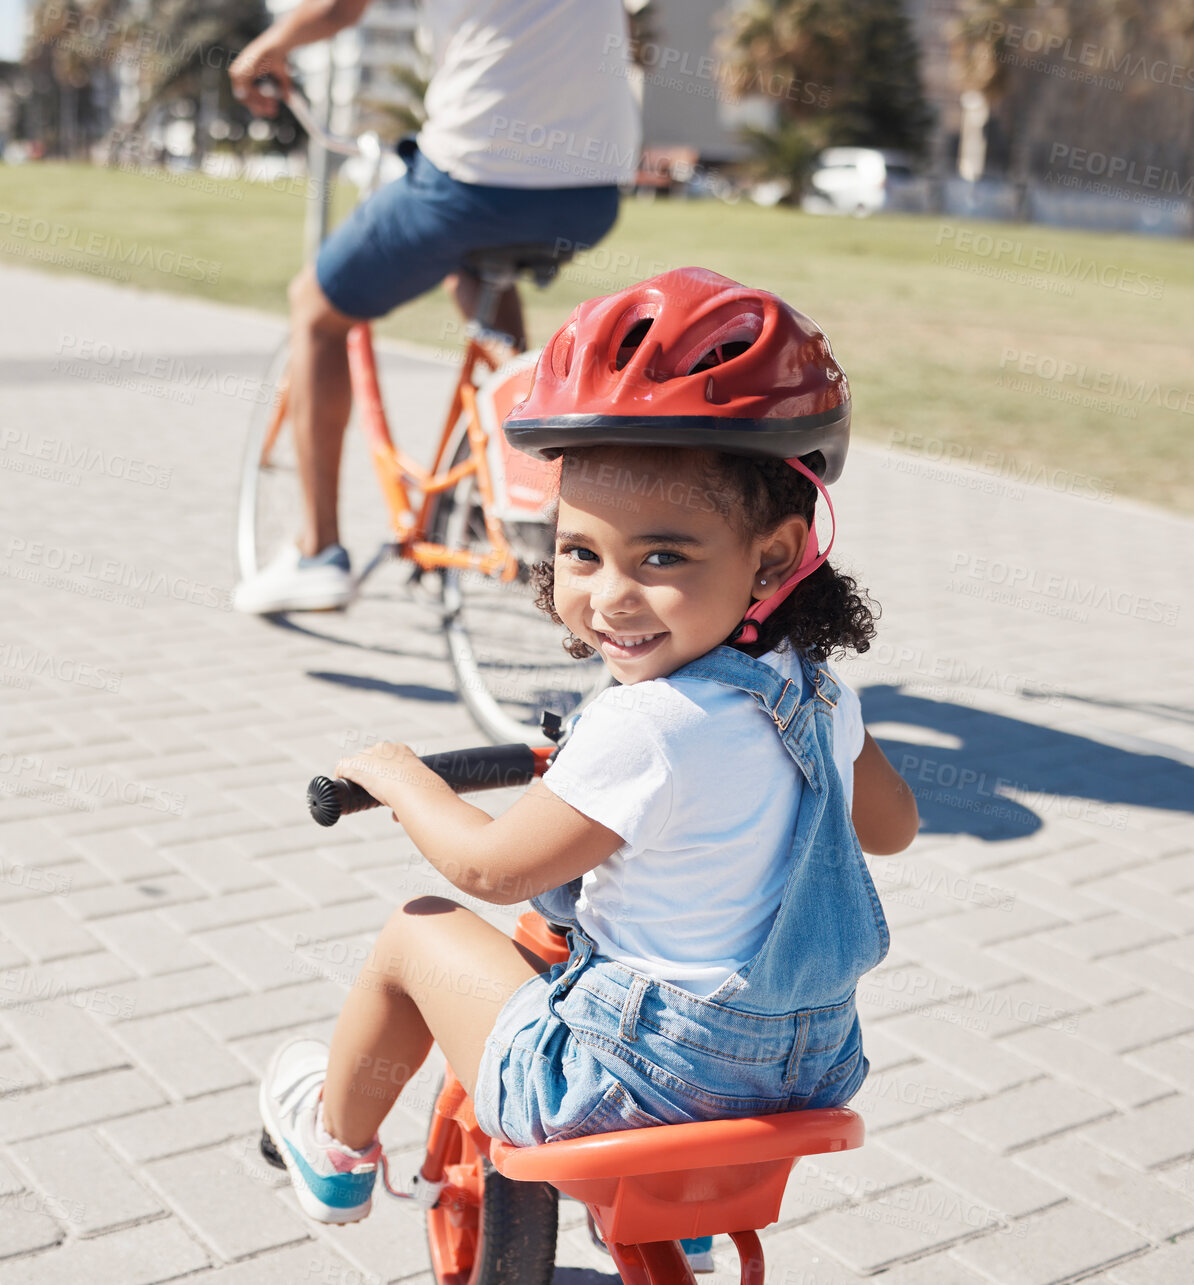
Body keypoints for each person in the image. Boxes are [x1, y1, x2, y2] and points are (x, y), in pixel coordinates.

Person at [257, 268, 920, 1272]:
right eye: (577, 553)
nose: (610, 598)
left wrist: (401, 779)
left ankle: (334, 1147)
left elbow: (490, 872)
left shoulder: (644, 727)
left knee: (416, 933)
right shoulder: (818, 691)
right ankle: (679, 1222)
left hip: (627, 1086)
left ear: (777, 556)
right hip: (804, 1074)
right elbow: (891, 829)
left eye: (661, 558)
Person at [229, 0, 640, 613]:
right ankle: (500, 486)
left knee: (314, 308)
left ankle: (317, 552)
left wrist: (268, 47)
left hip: (475, 177)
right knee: (474, 269)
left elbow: (340, 7)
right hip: (593, 191)